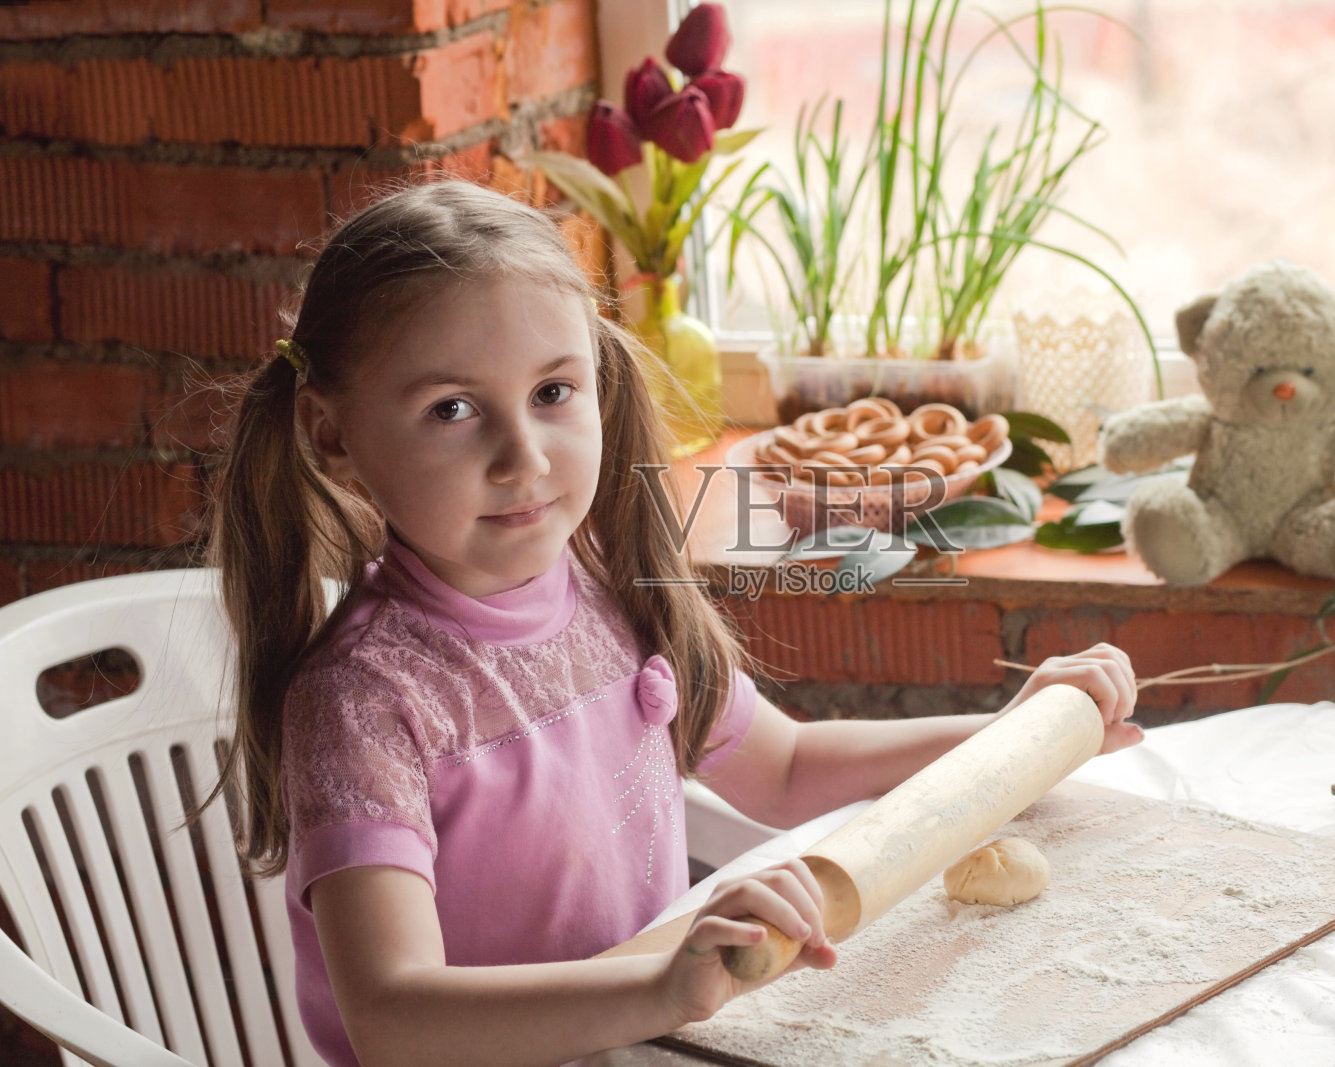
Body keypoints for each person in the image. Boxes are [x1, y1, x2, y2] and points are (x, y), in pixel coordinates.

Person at [202, 179, 1142, 1067]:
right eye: (451, 409)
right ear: (333, 434)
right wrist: (661, 986)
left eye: (552, 392)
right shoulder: (365, 698)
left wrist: (1016, 729)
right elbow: (395, 1018)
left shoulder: (610, 592)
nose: (522, 456)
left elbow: (784, 769)